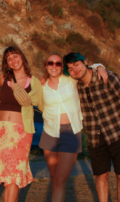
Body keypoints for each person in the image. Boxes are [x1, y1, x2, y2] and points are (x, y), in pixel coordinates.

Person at [39, 52, 108, 202]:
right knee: (54, 178)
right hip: (50, 133)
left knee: (59, 180)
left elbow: (86, 68)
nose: (54, 66)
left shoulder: (70, 80)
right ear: (46, 66)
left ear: (62, 66)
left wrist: (101, 67)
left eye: (58, 63)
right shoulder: (41, 85)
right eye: (50, 63)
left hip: (71, 133)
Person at [63, 52, 120, 202]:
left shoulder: (108, 78)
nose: (75, 70)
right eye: (70, 69)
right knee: (101, 176)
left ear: (84, 62)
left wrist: (99, 67)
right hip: (95, 138)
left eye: (77, 64)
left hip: (119, 132)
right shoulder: (76, 87)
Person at [0, 46, 44, 202]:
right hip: (0, 131)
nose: (13, 60)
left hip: (20, 133)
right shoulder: (2, 79)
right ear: (6, 63)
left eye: (15, 56)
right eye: (9, 59)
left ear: (22, 57)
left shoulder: (34, 81)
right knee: (8, 177)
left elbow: (42, 105)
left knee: (14, 175)